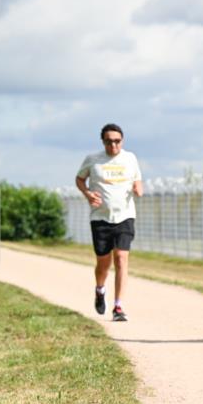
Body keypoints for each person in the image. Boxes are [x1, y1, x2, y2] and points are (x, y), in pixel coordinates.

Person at [75, 123, 143, 322]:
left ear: (122, 141)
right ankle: (99, 289)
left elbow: (138, 180)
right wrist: (87, 193)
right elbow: (79, 180)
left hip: (125, 216)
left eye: (117, 141)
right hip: (100, 218)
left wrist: (139, 189)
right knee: (103, 263)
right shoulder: (93, 160)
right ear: (103, 141)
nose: (113, 145)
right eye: (109, 141)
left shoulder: (130, 158)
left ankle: (118, 306)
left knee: (121, 258)